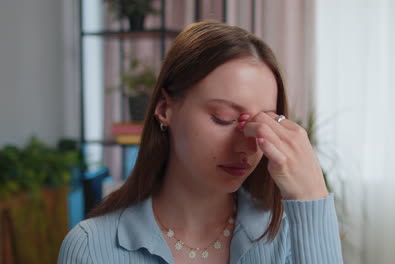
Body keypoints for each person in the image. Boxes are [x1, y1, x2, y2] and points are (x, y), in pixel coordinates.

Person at [58, 21, 343, 264]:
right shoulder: (91, 248)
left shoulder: (288, 238)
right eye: (223, 118)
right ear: (164, 109)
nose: (246, 145)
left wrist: (312, 196)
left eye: (261, 124)